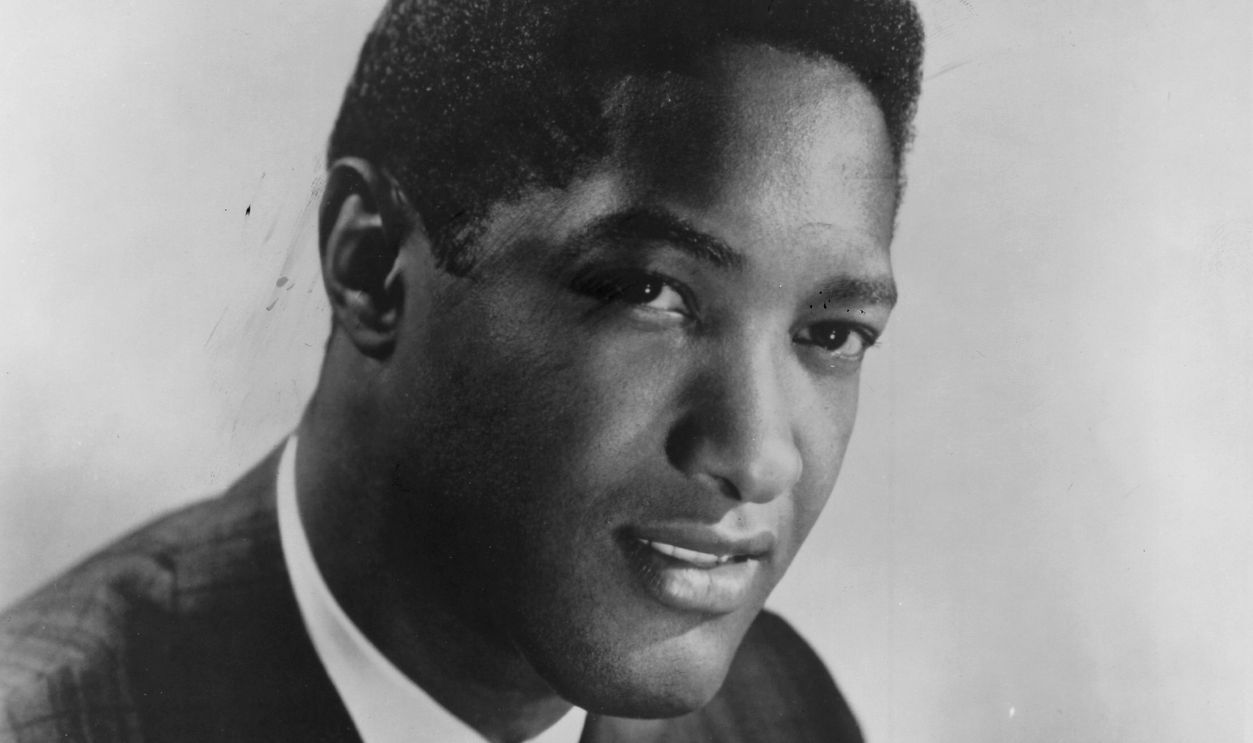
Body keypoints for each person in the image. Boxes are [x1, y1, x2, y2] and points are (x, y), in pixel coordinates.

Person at [0, 0, 924, 740]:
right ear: (370, 268)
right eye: (648, 290)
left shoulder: (776, 709)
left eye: (832, 334)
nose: (759, 457)